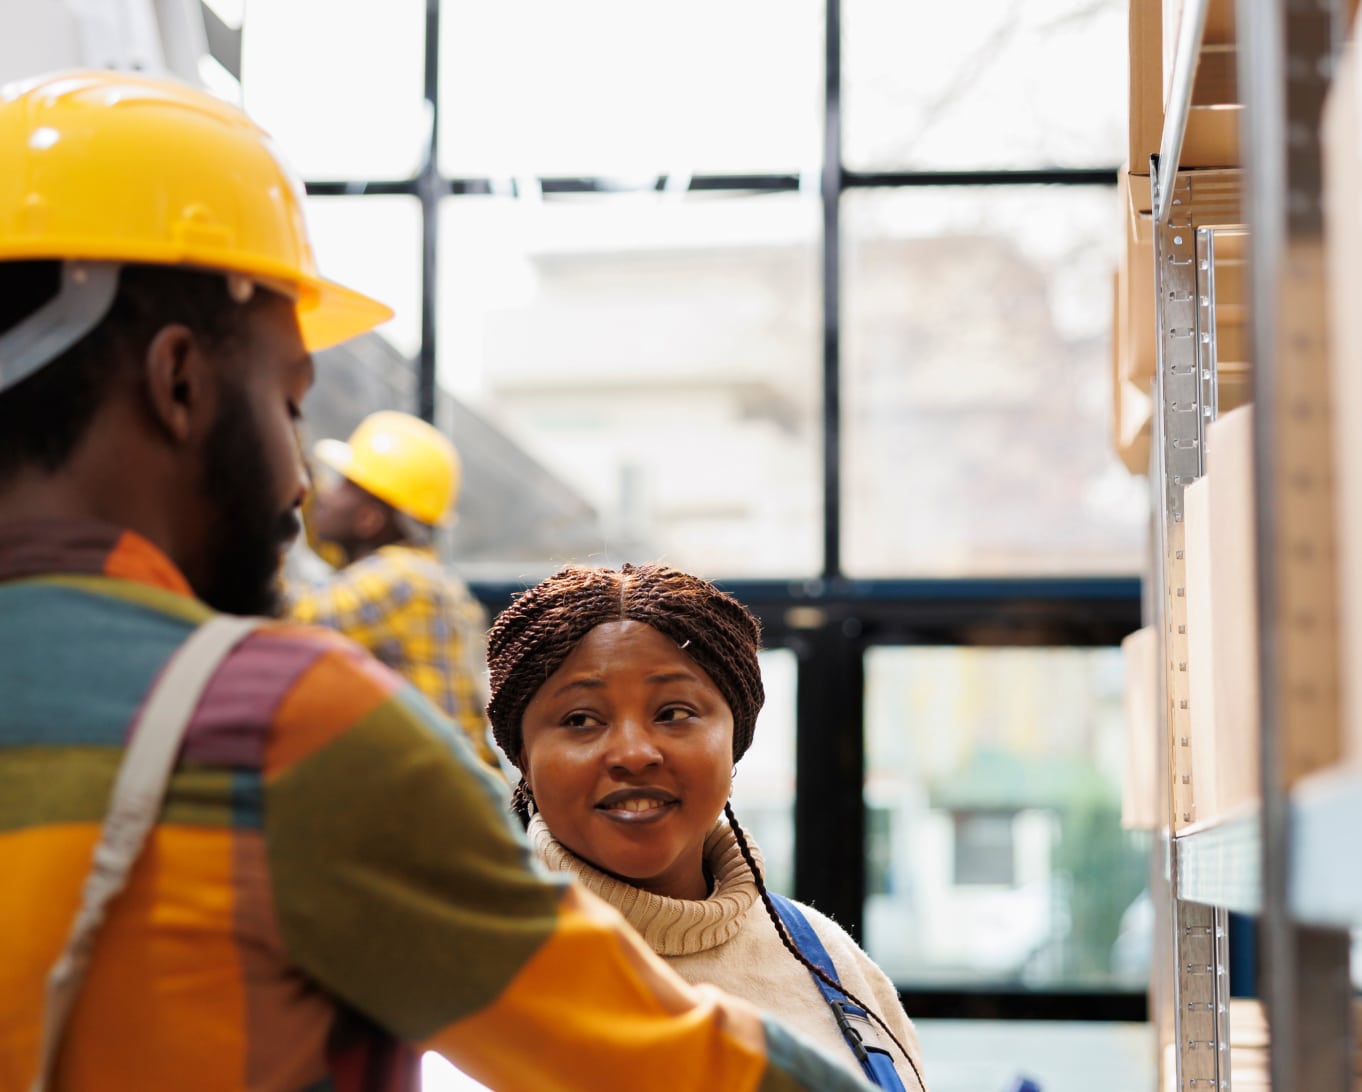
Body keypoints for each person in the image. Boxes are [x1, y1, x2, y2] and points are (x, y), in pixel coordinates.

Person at [0, 69, 876, 1092]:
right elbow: (672, 1067)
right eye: (288, 402)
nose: (294, 474)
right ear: (180, 381)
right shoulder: (280, 724)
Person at [486, 563, 930, 1091]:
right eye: (581, 719)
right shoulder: (475, 971)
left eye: (674, 712)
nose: (633, 753)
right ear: (524, 758)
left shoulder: (828, 960)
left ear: (734, 741)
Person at [290, 410, 499, 769]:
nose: (324, 494)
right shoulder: (420, 572)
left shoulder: (399, 578)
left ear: (368, 519)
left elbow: (286, 619)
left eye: (342, 485)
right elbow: (318, 539)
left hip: (440, 803)